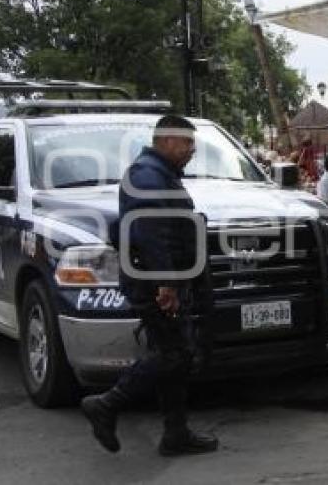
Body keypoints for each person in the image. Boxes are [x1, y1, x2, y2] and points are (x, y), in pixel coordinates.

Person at [81, 115, 218, 457]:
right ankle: (107, 404)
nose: (191, 150)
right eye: (187, 143)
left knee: (176, 356)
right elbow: (152, 233)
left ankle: (175, 433)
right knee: (174, 354)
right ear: (167, 141)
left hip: (162, 280)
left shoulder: (159, 174)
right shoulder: (147, 175)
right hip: (153, 284)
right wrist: (166, 284)